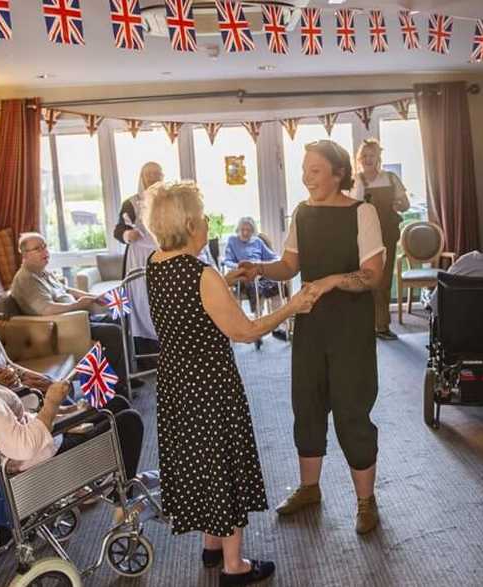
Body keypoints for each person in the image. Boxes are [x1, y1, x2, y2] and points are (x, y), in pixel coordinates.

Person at [145, 181, 315, 586]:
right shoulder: (202, 275)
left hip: (175, 383)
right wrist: (292, 306)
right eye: (202, 218)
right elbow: (245, 330)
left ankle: (212, 544)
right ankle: (234, 565)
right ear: (189, 224)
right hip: (209, 384)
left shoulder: (156, 263)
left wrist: (227, 277)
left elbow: (193, 299)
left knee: (200, 462)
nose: (207, 224)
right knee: (221, 464)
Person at [238, 140, 385, 535]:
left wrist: (335, 279)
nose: (306, 177)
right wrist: (259, 269)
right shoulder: (302, 213)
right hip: (309, 324)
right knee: (307, 404)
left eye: (315, 170)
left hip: (350, 328)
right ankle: (309, 488)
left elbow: (372, 275)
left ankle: (366, 502)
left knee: (352, 410)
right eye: (304, 169)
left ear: (338, 173)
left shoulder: (362, 212)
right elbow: (289, 265)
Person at [0, 302, 143, 495]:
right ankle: (122, 496)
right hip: (34, 473)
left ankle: (117, 482)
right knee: (128, 420)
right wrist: (52, 403)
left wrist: (66, 412)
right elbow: (23, 446)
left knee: (115, 404)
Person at [9, 232, 135, 394]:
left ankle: (123, 378)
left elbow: (66, 290)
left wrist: (93, 298)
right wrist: (77, 305)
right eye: (37, 249)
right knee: (113, 332)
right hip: (62, 329)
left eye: (45, 246)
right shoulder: (26, 279)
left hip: (77, 320)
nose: (44, 251)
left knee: (119, 317)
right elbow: (46, 310)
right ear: (24, 255)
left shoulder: (42, 271)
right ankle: (117, 389)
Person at [352, 139, 410, 341]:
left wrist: (398, 203)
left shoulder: (391, 178)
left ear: (378, 157)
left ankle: (382, 325)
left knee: (384, 281)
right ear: (360, 159)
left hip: (388, 234)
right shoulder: (357, 181)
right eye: (365, 156)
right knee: (367, 279)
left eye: (372, 155)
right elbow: (353, 210)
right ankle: (366, 325)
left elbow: (406, 205)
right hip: (365, 236)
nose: (368, 159)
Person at [112, 162, 163, 354]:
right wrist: (127, 235)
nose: (153, 177)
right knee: (142, 302)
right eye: (149, 174)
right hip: (138, 258)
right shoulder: (132, 202)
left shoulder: (171, 201)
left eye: (157, 174)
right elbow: (119, 230)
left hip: (164, 255)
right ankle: (145, 352)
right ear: (142, 177)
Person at [222, 216, 287, 342]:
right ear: (238, 229)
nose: (245, 232)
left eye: (249, 230)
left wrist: (264, 265)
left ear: (253, 231)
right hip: (244, 276)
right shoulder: (232, 240)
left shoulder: (257, 241)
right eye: (243, 229)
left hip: (260, 274)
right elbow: (227, 260)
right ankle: (257, 328)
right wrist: (240, 267)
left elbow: (273, 257)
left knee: (275, 285)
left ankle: (276, 326)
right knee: (254, 288)